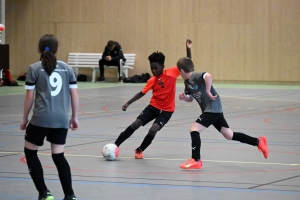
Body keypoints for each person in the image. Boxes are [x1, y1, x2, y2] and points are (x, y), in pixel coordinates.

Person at [176, 44, 269, 169]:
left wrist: (208, 91)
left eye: (179, 72)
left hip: (212, 108)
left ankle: (196, 159)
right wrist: (184, 98)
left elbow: (208, 76)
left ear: (181, 71)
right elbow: (191, 99)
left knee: (194, 129)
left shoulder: (196, 76)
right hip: (215, 111)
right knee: (229, 135)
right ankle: (258, 142)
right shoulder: (187, 83)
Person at [20, 34, 79, 200]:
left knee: (30, 153)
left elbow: (29, 97)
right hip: (61, 120)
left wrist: (24, 118)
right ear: (57, 49)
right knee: (58, 156)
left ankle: (44, 193)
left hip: (40, 119)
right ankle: (70, 195)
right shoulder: (67, 68)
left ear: (38, 49)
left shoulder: (33, 68)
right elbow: (74, 95)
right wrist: (74, 117)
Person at [114, 40, 192, 159]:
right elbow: (141, 93)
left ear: (163, 67)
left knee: (153, 130)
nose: (154, 71)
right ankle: (115, 145)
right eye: (152, 68)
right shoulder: (152, 80)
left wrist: (188, 49)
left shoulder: (172, 73)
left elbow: (187, 64)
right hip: (153, 107)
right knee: (136, 123)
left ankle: (140, 150)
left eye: (156, 68)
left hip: (167, 110)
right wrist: (128, 103)